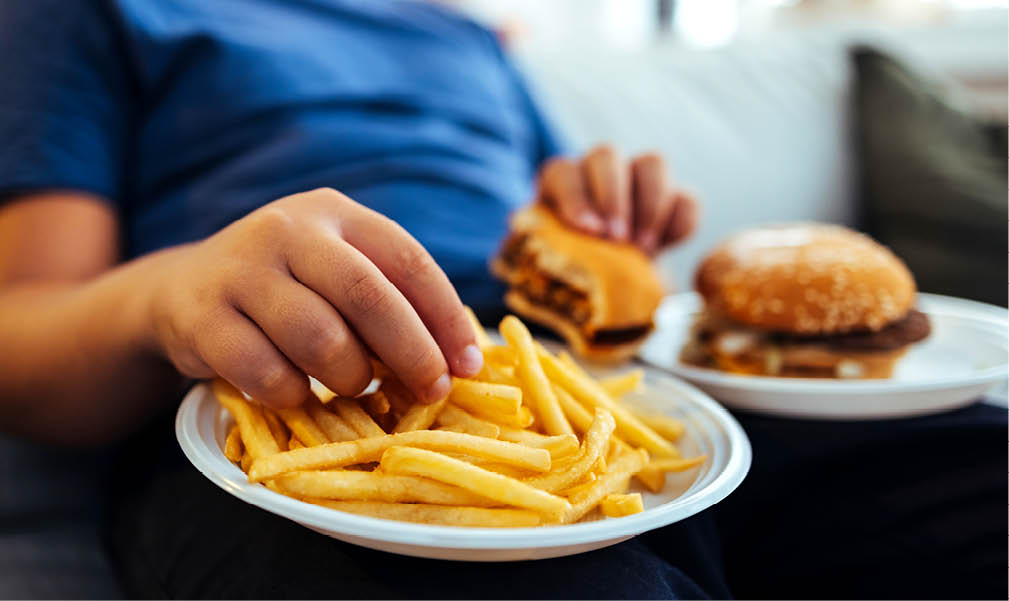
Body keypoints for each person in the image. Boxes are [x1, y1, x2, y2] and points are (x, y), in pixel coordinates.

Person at [0, 1, 1004, 599]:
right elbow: (24, 331)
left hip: (595, 399)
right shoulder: (88, 13)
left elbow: (543, 236)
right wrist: (166, 290)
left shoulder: (466, 38)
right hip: (293, 409)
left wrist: (593, 228)